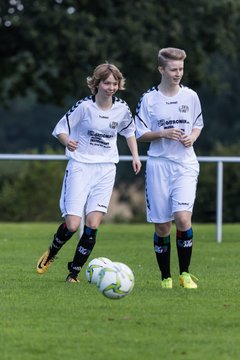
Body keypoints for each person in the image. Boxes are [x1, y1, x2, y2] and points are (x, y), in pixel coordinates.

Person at [37, 63, 142, 283]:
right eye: (106, 83)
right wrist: (68, 141)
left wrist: (135, 155)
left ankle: (73, 273)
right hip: (80, 167)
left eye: (114, 83)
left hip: (105, 169)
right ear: (97, 83)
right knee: (73, 225)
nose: (111, 87)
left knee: (93, 224)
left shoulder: (122, 108)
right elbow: (60, 129)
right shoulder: (84, 107)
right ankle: (52, 253)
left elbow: (130, 131)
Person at [135, 47, 203, 289]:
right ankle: (166, 277)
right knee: (163, 226)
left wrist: (192, 138)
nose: (178, 74)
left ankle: (185, 274)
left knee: (183, 219)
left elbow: (197, 125)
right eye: (173, 69)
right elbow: (140, 133)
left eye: (181, 69)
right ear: (161, 69)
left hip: (185, 164)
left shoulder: (191, 96)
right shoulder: (149, 99)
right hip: (159, 166)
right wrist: (162, 133)